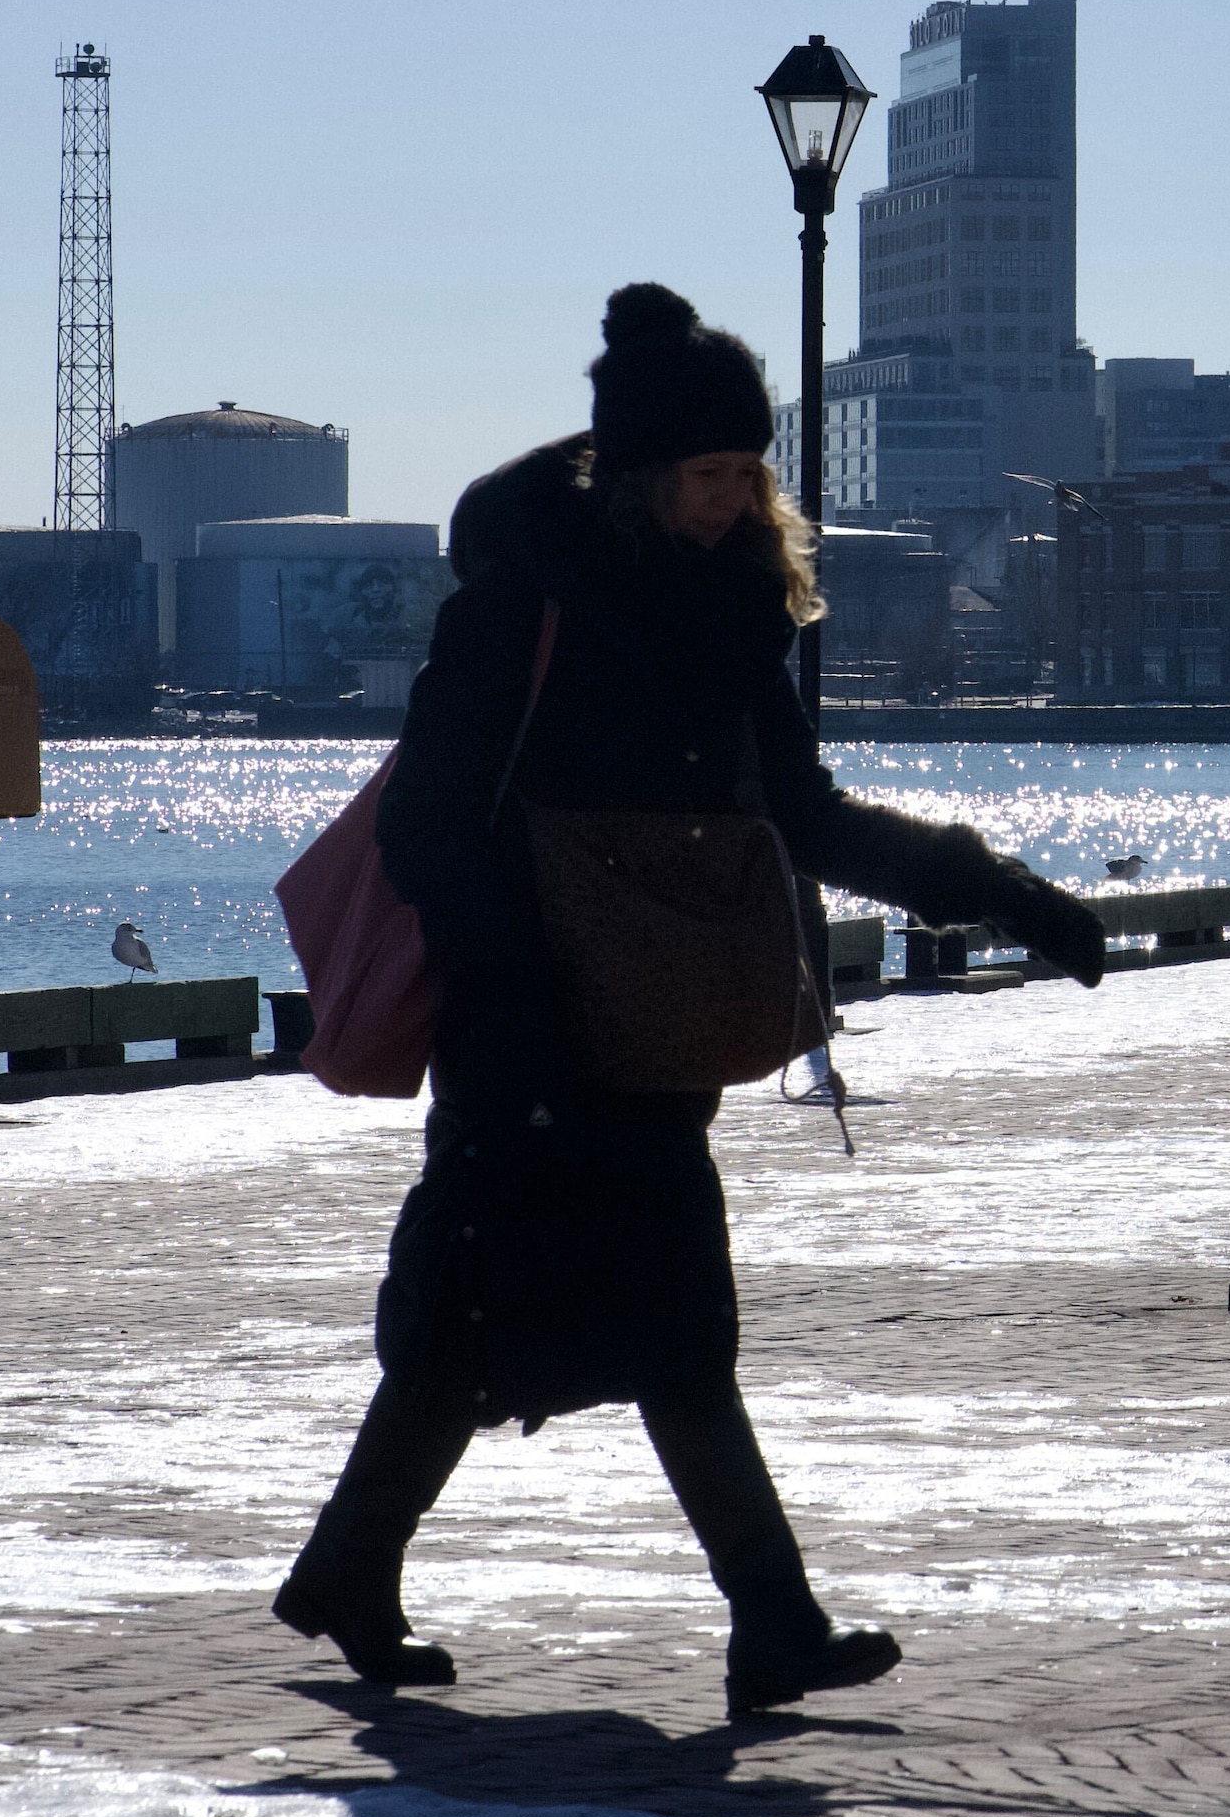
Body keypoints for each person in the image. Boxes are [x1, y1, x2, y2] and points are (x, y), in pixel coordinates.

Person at [275, 283, 1106, 1713]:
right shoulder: (520, 607)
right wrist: (517, 989)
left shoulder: (733, 618)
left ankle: (736, 1618)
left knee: (654, 1329)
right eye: (711, 474)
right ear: (646, 474)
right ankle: (405, 1574)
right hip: (526, 1026)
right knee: (495, 1322)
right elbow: (426, 829)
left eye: (749, 474)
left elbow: (811, 815)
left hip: (647, 1030)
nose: (734, 499)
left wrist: (1005, 891)